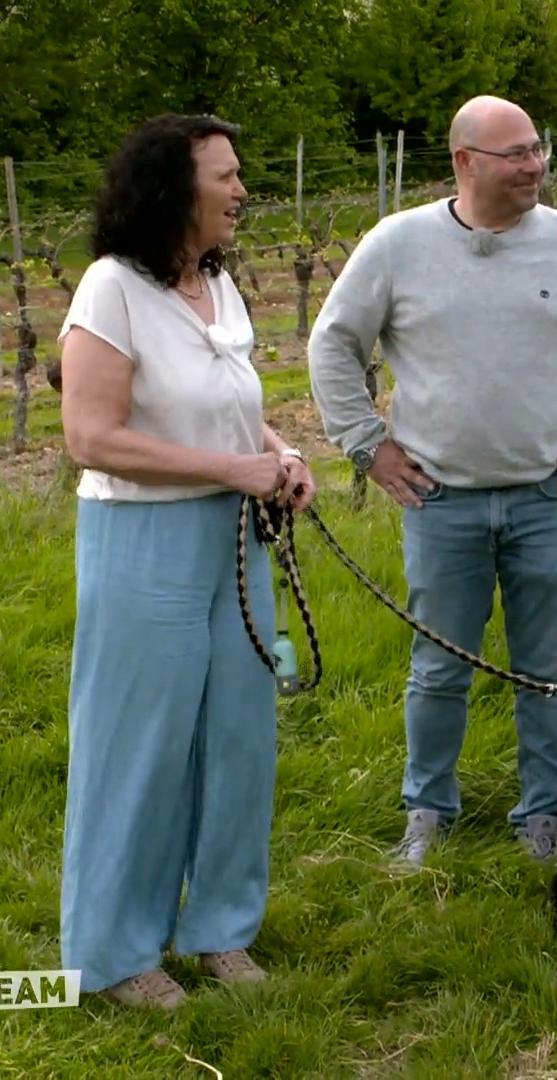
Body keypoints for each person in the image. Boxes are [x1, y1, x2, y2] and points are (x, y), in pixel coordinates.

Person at [308, 95, 557, 865]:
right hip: (438, 498)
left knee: (545, 670)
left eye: (538, 149)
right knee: (438, 667)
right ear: (464, 161)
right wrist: (365, 444)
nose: (534, 165)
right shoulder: (396, 246)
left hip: (550, 496)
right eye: (515, 154)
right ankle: (427, 811)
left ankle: (543, 815)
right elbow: (332, 344)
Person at [59, 114, 316, 1009]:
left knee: (239, 739)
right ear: (174, 189)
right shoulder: (110, 291)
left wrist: (277, 455)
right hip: (143, 541)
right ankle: (113, 955)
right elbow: (91, 437)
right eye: (226, 176)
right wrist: (231, 467)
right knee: (139, 747)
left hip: (236, 538)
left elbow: (227, 411)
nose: (241, 191)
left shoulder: (219, 286)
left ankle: (220, 933)